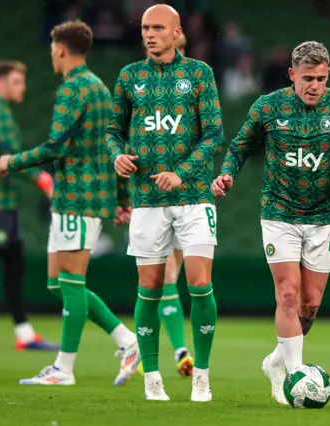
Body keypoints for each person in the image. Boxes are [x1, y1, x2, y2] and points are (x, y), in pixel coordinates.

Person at [212, 41, 330, 405]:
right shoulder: (268, 106)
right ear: (292, 74)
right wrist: (227, 174)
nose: (315, 86)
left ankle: (276, 361)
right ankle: (295, 375)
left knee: (309, 305)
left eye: (321, 79)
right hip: (279, 213)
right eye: (308, 78)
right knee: (289, 294)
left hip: (323, 217)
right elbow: (239, 146)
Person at [0, 20, 140, 386]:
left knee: (71, 283)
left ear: (60, 49)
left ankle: (64, 369)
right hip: (79, 197)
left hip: (78, 198)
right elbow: (114, 145)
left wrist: (11, 161)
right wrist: (122, 197)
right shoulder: (100, 89)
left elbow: (55, 146)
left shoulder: (74, 89)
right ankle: (126, 341)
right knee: (59, 284)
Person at [106, 4, 223, 402]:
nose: (150, 33)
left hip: (193, 197)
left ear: (177, 33)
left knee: (200, 283)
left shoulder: (199, 74)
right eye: (145, 27)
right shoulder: (128, 77)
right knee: (149, 289)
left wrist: (182, 172)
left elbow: (213, 135)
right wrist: (115, 155)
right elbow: (111, 130)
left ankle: (202, 376)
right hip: (146, 199)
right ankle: (152, 378)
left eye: (158, 27)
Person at [0, 60, 59, 352]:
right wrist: (43, 178)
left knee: (13, 266)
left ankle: (24, 333)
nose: (24, 88)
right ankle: (24, 333)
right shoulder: (0, 116)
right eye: (17, 82)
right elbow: (13, 159)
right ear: (1, 83)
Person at [134, 31, 195, 379]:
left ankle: (166, 351)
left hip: (184, 196)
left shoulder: (195, 89)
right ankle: (162, 350)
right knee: (156, 280)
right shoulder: (143, 89)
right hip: (150, 196)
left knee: (167, 276)